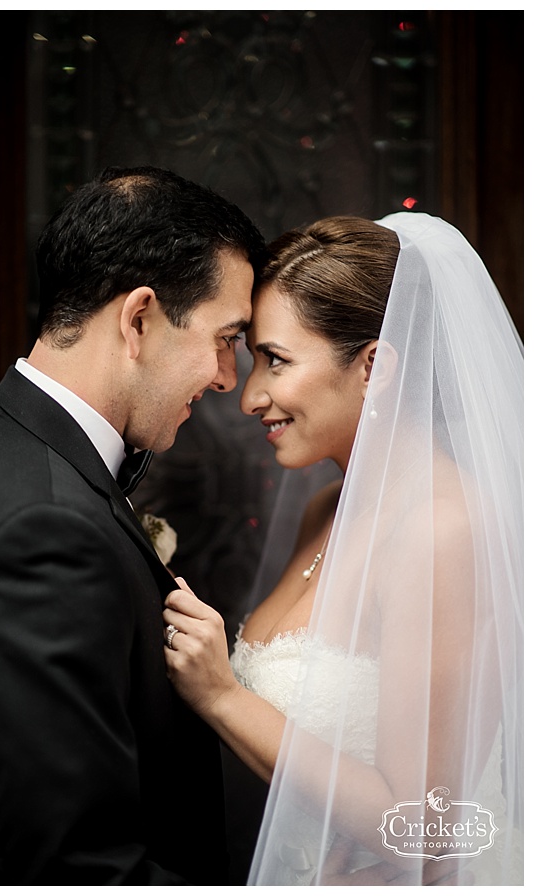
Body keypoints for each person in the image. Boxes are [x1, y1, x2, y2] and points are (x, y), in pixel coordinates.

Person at [163, 213, 522, 884]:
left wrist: (221, 696)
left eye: (275, 361)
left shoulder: (442, 531)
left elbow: (424, 831)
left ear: (374, 367)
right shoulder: (328, 508)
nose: (249, 397)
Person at [0, 166, 266, 883]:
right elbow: (76, 866)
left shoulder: (3, 448)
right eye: (225, 339)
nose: (228, 377)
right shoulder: (44, 528)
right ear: (139, 319)